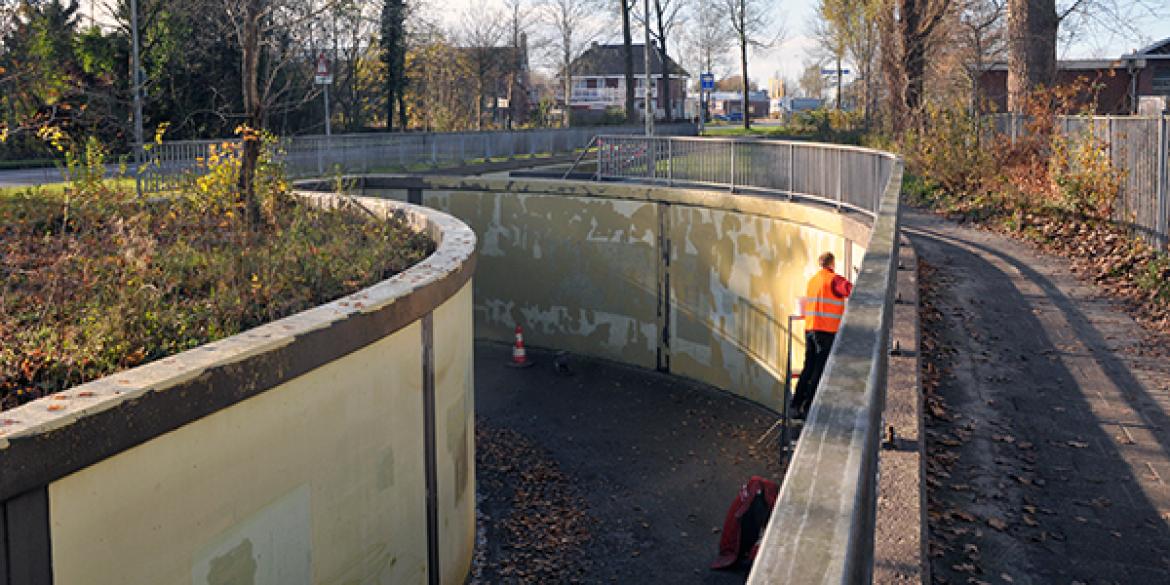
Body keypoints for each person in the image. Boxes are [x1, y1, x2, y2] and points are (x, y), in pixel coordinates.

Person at [791, 252, 853, 419]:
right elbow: (850, 290)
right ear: (832, 264)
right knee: (819, 370)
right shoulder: (834, 279)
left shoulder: (813, 281)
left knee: (808, 367)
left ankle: (795, 404)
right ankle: (808, 407)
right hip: (826, 331)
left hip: (810, 329)